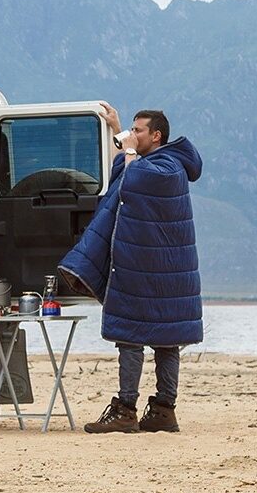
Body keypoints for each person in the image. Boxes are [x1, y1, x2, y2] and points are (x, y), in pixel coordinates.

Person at [58, 103, 203, 433]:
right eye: (132, 130)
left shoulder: (167, 167)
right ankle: (161, 412)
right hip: (156, 268)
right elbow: (121, 175)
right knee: (163, 338)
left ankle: (129, 410)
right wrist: (116, 129)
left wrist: (127, 147)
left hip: (152, 269)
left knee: (136, 336)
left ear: (156, 135)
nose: (132, 136)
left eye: (138, 130)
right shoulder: (156, 161)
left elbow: (134, 177)